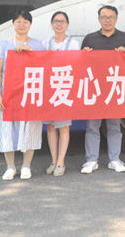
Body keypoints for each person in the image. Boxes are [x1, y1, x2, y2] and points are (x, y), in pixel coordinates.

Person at [0, 11, 44, 181]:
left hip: (30, 94)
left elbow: (44, 65)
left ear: (30, 25)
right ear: (13, 24)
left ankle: (26, 166)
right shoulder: (4, 44)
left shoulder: (37, 44)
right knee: (7, 130)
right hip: (9, 95)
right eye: (18, 21)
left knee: (30, 130)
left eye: (26, 22)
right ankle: (10, 167)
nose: (22, 25)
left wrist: (30, 51)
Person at [80, 5, 125, 174]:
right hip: (95, 88)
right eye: (104, 17)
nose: (107, 20)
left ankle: (114, 159)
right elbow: (81, 64)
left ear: (116, 19)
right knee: (92, 126)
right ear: (99, 19)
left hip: (114, 89)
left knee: (114, 126)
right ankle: (91, 160)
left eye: (111, 17)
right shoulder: (90, 38)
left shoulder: (124, 38)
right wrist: (84, 53)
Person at [43, 11, 80, 177]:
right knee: (51, 126)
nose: (59, 24)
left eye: (63, 21)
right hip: (49, 88)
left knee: (64, 126)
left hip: (65, 88)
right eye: (56, 21)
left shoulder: (73, 43)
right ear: (52, 24)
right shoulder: (45, 43)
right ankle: (53, 160)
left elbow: (76, 63)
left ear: (67, 24)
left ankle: (61, 162)